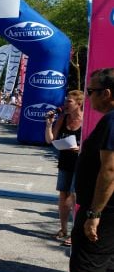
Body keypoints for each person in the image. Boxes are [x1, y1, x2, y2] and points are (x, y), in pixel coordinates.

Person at [70, 68, 114, 272]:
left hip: (103, 211)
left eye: (92, 91)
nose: (89, 97)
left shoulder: (111, 121)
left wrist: (94, 213)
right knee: (109, 270)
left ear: (107, 93)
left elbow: (109, 170)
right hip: (109, 212)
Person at [45, 90, 84, 247]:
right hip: (65, 161)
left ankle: (76, 233)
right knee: (63, 195)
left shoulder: (86, 119)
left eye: (70, 102)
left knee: (76, 196)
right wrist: (48, 124)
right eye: (66, 100)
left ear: (79, 104)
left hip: (81, 162)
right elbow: (50, 140)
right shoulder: (63, 118)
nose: (66, 104)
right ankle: (63, 229)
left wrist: (80, 148)